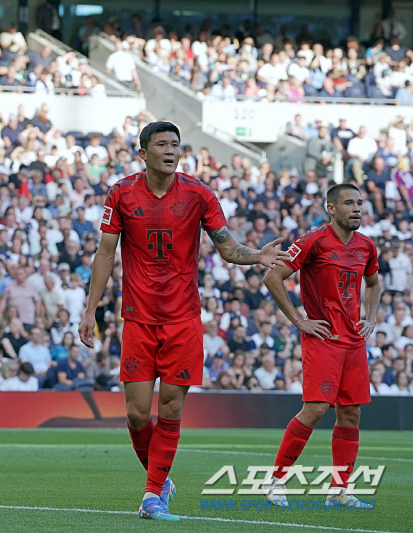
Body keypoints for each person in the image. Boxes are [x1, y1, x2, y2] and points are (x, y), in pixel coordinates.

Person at [78, 121, 291, 520]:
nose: (171, 150)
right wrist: (91, 309)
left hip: (183, 319)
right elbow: (105, 253)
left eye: (176, 144)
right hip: (138, 318)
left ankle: (151, 496)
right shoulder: (121, 193)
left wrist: (256, 256)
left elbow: (227, 247)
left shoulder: (199, 194)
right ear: (144, 153)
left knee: (172, 409)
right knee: (138, 414)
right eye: (162, 144)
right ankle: (160, 481)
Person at [261, 184, 380, 508]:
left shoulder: (366, 246)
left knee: (351, 414)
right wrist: (299, 320)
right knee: (315, 409)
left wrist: (371, 317)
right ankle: (275, 482)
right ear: (331, 208)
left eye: (359, 203)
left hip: (354, 342)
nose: (356, 208)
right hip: (324, 338)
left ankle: (339, 490)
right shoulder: (314, 240)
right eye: (348, 203)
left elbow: (373, 282)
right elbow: (273, 277)